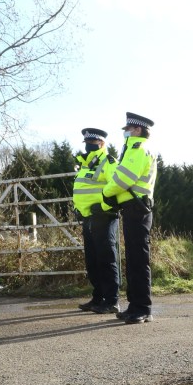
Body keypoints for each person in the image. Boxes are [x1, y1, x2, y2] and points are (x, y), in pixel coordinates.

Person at [93, 112, 157, 325]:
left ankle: (142, 308)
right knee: (133, 260)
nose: (126, 133)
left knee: (138, 260)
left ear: (137, 130)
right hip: (132, 209)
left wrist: (106, 194)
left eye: (128, 129)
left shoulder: (138, 150)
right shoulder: (132, 150)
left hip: (137, 210)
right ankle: (135, 306)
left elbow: (122, 178)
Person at [73, 128, 120, 313]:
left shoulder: (108, 162)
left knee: (106, 259)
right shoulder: (85, 164)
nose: (89, 146)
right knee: (92, 261)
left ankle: (112, 301)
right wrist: (79, 209)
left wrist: (103, 207)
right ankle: (98, 298)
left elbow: (116, 187)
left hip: (104, 217)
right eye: (87, 143)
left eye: (93, 143)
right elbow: (82, 189)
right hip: (88, 217)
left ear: (101, 143)